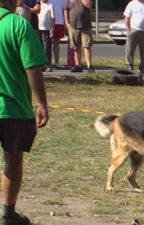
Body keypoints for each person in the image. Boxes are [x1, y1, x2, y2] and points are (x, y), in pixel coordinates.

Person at [0, 0, 49, 224]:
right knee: (13, 160)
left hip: (13, 110)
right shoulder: (18, 26)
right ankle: (8, 215)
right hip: (14, 109)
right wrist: (42, 103)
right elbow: (33, 67)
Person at [124, 0, 144, 75]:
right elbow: (127, 17)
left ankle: (143, 68)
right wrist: (128, 30)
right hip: (133, 30)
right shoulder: (132, 4)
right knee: (130, 49)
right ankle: (129, 65)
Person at [64, 0, 94, 73]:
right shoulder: (69, 1)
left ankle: (89, 66)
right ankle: (78, 65)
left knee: (87, 46)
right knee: (76, 47)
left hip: (85, 27)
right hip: (73, 27)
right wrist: (67, 24)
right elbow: (66, 11)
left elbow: (89, 5)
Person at [38, 0, 55, 72]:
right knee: (40, 47)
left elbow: (53, 18)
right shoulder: (38, 4)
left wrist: (52, 29)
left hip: (47, 30)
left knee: (47, 48)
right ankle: (41, 65)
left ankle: (48, 65)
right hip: (39, 29)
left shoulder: (50, 5)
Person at [49, 0, 66, 69]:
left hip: (59, 22)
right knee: (46, 43)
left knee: (56, 42)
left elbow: (64, 10)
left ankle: (56, 61)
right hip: (48, 22)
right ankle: (47, 62)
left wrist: (65, 23)